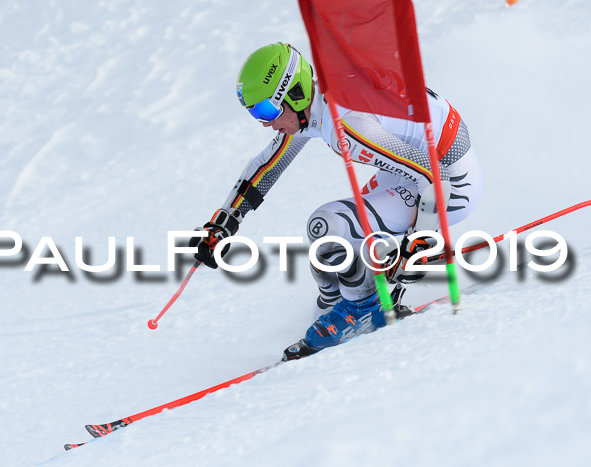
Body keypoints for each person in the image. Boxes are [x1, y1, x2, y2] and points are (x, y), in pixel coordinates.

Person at [190, 42, 483, 360]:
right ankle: (337, 307)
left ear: (295, 94)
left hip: (450, 181)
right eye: (255, 114)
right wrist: (225, 221)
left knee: (327, 225)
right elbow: (268, 164)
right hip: (413, 169)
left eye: (267, 111)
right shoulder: (316, 105)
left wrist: (422, 241)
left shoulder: (347, 124)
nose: (265, 122)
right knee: (334, 245)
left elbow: (433, 176)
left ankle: (362, 309)